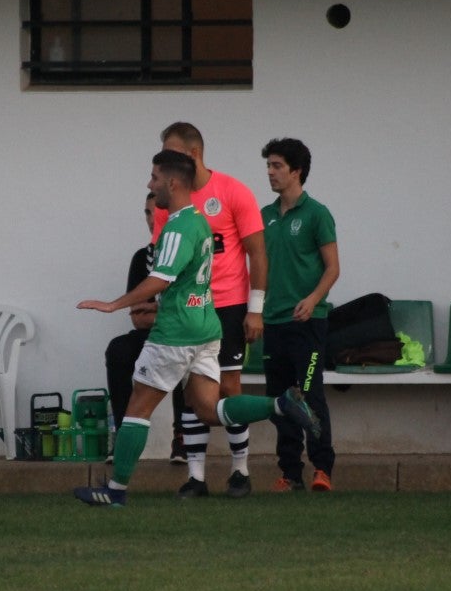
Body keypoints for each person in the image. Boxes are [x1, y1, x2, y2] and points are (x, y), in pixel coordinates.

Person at [74, 150, 320, 507]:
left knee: (137, 409)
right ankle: (280, 405)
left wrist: (115, 303)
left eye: (154, 177)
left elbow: (161, 277)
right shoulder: (202, 223)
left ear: (172, 183)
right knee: (208, 408)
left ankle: (114, 490)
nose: (150, 184)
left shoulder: (175, 227)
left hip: (175, 333)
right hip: (207, 328)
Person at [152, 122, 267, 498]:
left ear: (194, 154)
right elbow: (163, 260)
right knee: (192, 392)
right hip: (189, 308)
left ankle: (240, 471)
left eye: (172, 152)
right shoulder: (165, 203)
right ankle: (196, 477)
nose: (165, 162)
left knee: (229, 389)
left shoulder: (233, 192)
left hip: (230, 306)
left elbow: (257, 253)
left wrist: (255, 309)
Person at [259, 138, 340, 491]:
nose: (270, 172)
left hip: (307, 323)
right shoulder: (263, 216)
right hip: (272, 323)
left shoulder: (317, 213)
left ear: (297, 171)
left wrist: (313, 299)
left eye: (277, 166)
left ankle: (322, 469)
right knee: (280, 400)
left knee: (309, 393)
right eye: (269, 166)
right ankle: (290, 473)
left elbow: (333, 268)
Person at [103, 193, 187, 463]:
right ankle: (123, 436)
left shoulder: (186, 250)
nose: (151, 220)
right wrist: (164, 311)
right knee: (118, 350)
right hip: (149, 336)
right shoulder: (142, 258)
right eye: (147, 214)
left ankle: (182, 440)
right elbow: (137, 318)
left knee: (185, 355)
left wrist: (154, 309)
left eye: (156, 213)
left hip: (183, 336)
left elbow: (189, 312)